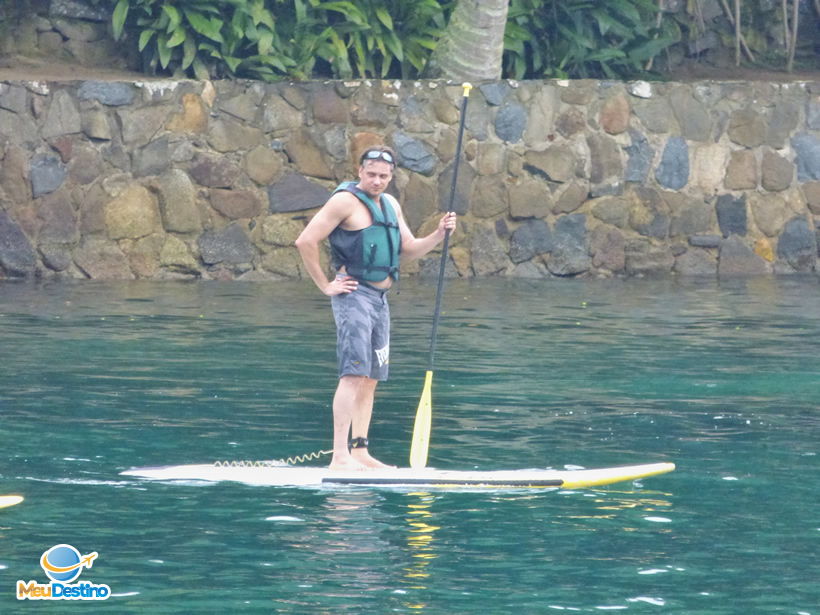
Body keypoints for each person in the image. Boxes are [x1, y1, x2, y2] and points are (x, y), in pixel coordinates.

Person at [295, 146, 457, 470]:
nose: (377, 181)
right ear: (360, 172)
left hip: (380, 301)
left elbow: (407, 250)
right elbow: (305, 241)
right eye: (371, 174)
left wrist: (439, 235)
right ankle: (339, 456)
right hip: (353, 296)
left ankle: (359, 451)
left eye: (383, 176)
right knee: (353, 374)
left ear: (391, 177)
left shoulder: (391, 205)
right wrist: (325, 285)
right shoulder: (344, 201)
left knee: (370, 378)